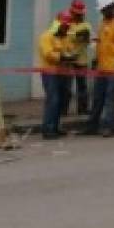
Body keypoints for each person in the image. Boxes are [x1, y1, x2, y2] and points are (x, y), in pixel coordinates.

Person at [77, 0, 114, 138]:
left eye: (103, 9)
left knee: (110, 99)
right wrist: (95, 59)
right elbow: (101, 42)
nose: (102, 12)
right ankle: (92, 126)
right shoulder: (104, 22)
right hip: (102, 66)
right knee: (97, 98)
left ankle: (108, 127)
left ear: (110, 7)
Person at [36, 10, 74, 139]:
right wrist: (62, 57)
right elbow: (48, 54)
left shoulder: (66, 37)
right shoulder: (46, 36)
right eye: (65, 25)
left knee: (61, 100)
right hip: (50, 72)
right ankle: (48, 129)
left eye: (68, 26)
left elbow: (69, 50)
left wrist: (71, 56)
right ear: (58, 24)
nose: (67, 28)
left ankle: (56, 127)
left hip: (63, 72)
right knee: (53, 100)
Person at [65, 0, 93, 116]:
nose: (78, 15)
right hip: (68, 59)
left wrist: (78, 37)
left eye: (80, 13)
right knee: (66, 86)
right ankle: (63, 109)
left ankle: (82, 109)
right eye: (76, 12)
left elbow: (86, 40)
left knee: (82, 86)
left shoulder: (86, 25)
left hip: (81, 59)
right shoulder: (66, 23)